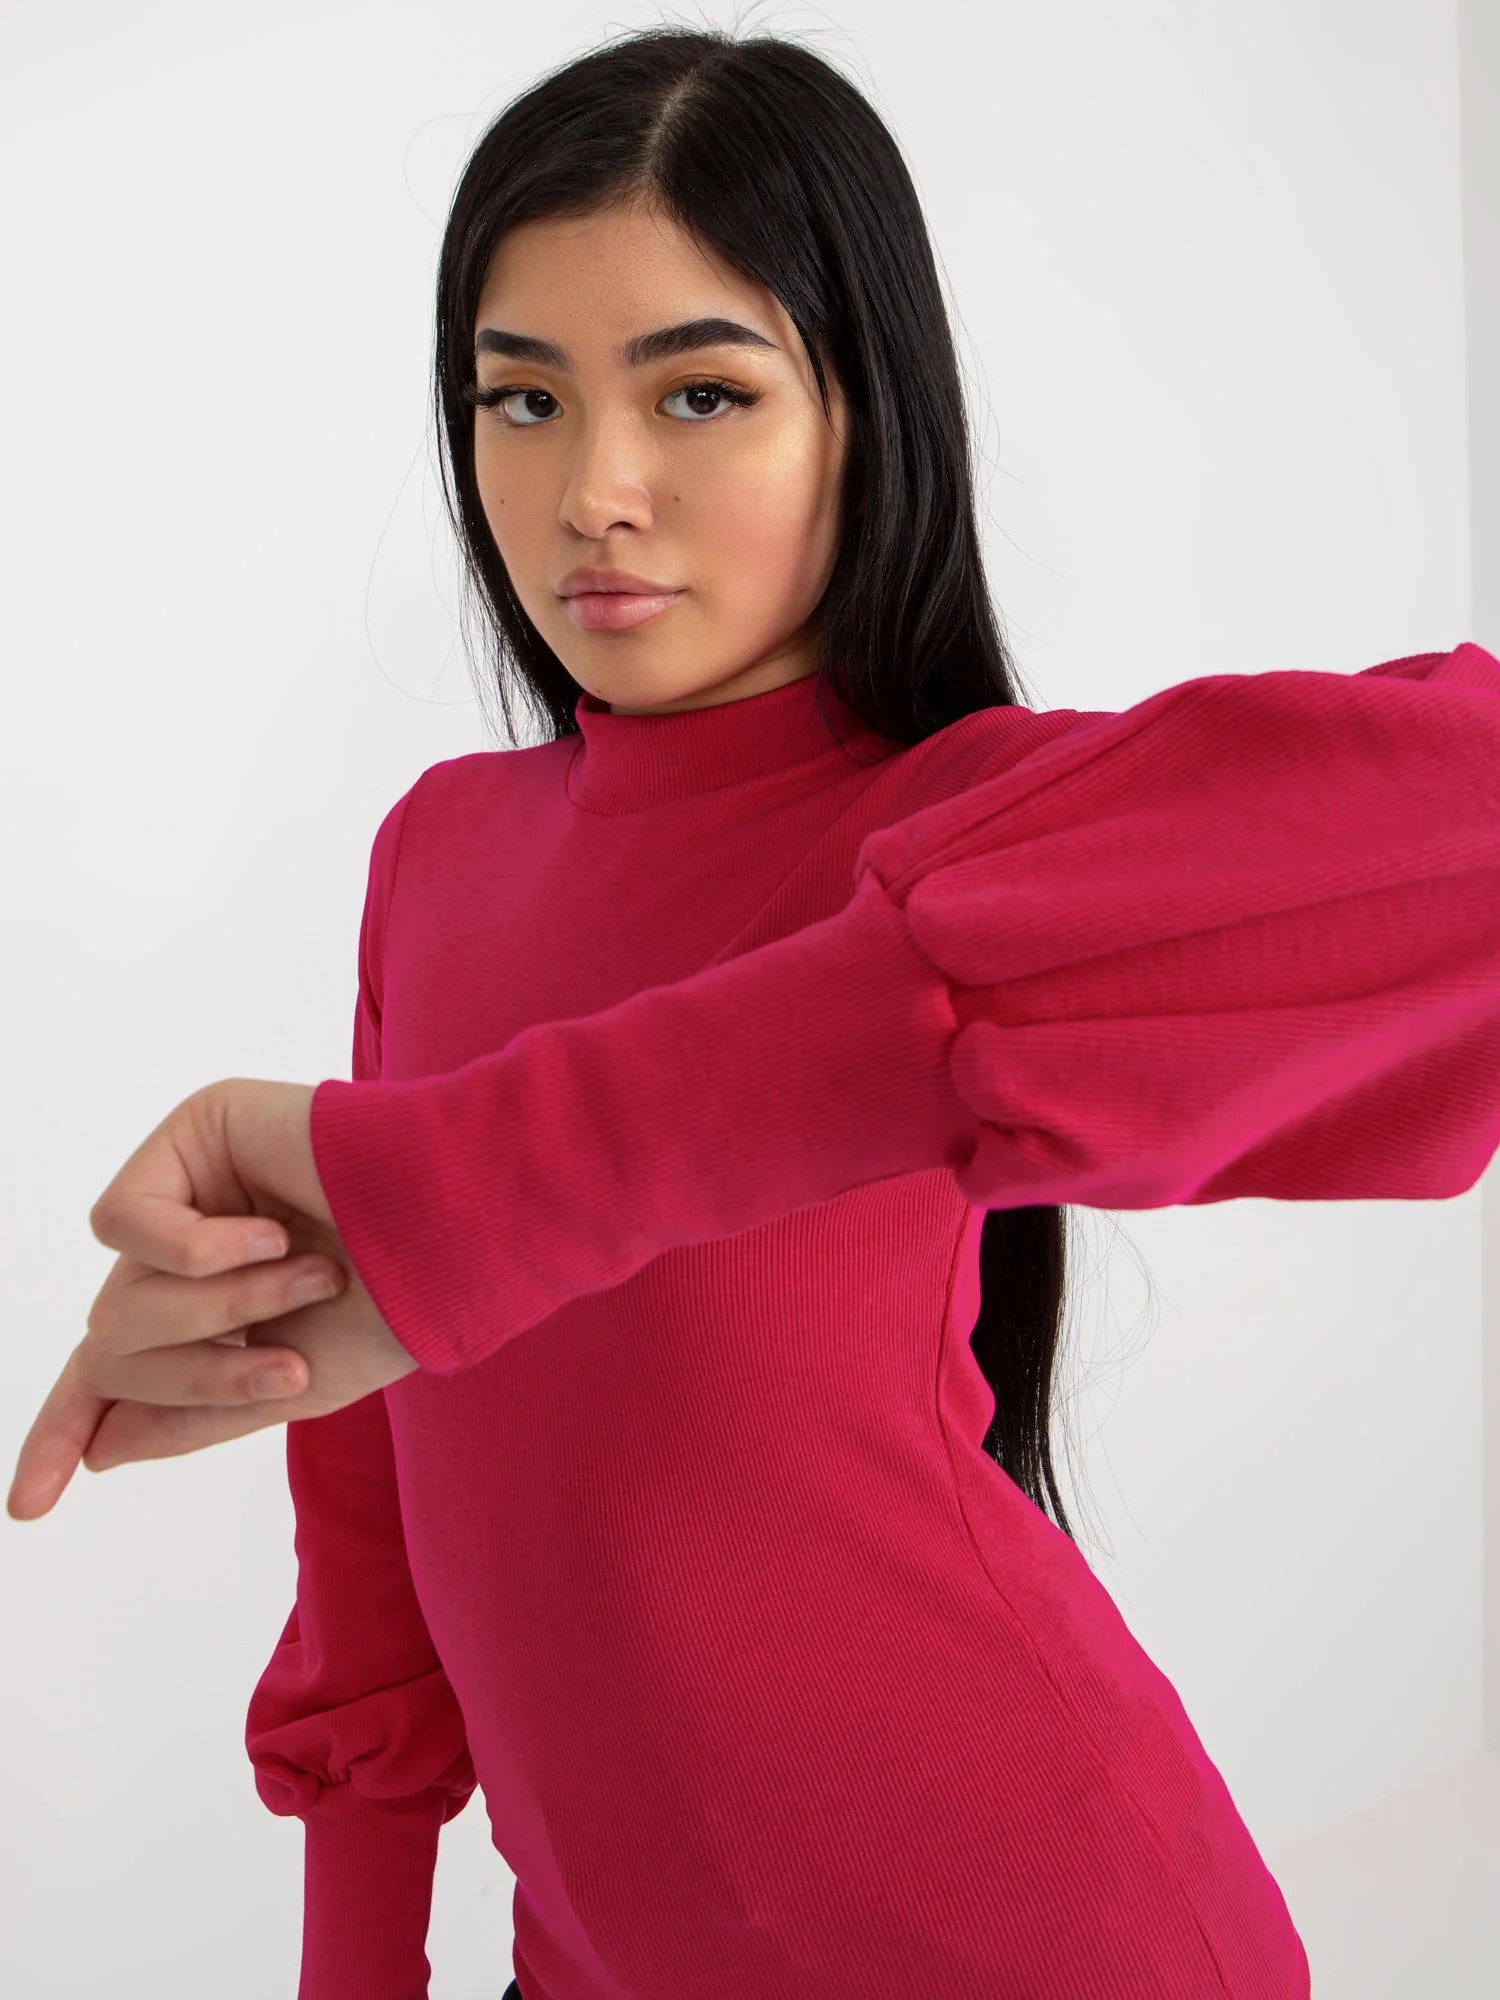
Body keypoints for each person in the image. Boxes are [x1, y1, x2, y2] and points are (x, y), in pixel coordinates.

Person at [11, 22, 1500, 2000]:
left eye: (701, 393)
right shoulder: (440, 852)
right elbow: (369, 1484)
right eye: (521, 399)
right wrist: (355, 1959)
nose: (592, 491)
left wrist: (513, 1167)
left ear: (866, 412)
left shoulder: (973, 834)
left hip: (1022, 1939)